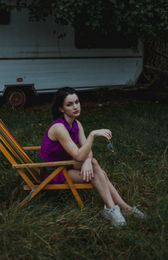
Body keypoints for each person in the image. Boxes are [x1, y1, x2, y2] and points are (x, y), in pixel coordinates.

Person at [40, 87, 145, 226]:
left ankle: (123, 208)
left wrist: (88, 161)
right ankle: (112, 208)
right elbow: (78, 154)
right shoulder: (59, 128)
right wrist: (92, 135)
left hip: (65, 163)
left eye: (77, 102)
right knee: (98, 174)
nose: (75, 106)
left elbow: (86, 152)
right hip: (52, 170)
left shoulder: (77, 124)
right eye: (69, 104)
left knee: (95, 166)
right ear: (61, 109)